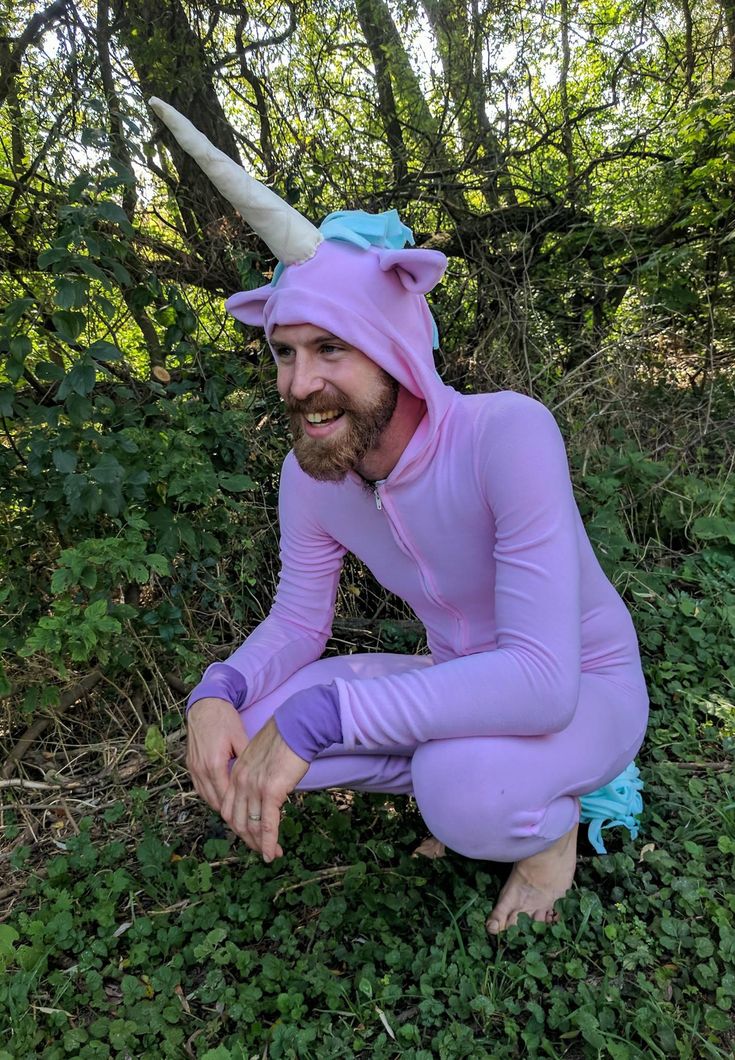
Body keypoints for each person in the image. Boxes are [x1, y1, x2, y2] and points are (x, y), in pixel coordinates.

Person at [150, 99, 648, 934]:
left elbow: (539, 678)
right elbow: (298, 619)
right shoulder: (310, 474)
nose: (298, 383)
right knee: (256, 724)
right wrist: (215, 693)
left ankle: (548, 831)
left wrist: (327, 717)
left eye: (330, 348)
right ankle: (469, 775)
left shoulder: (505, 432)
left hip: (583, 687)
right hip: (455, 679)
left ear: (393, 351)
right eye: (284, 351)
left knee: (457, 790)